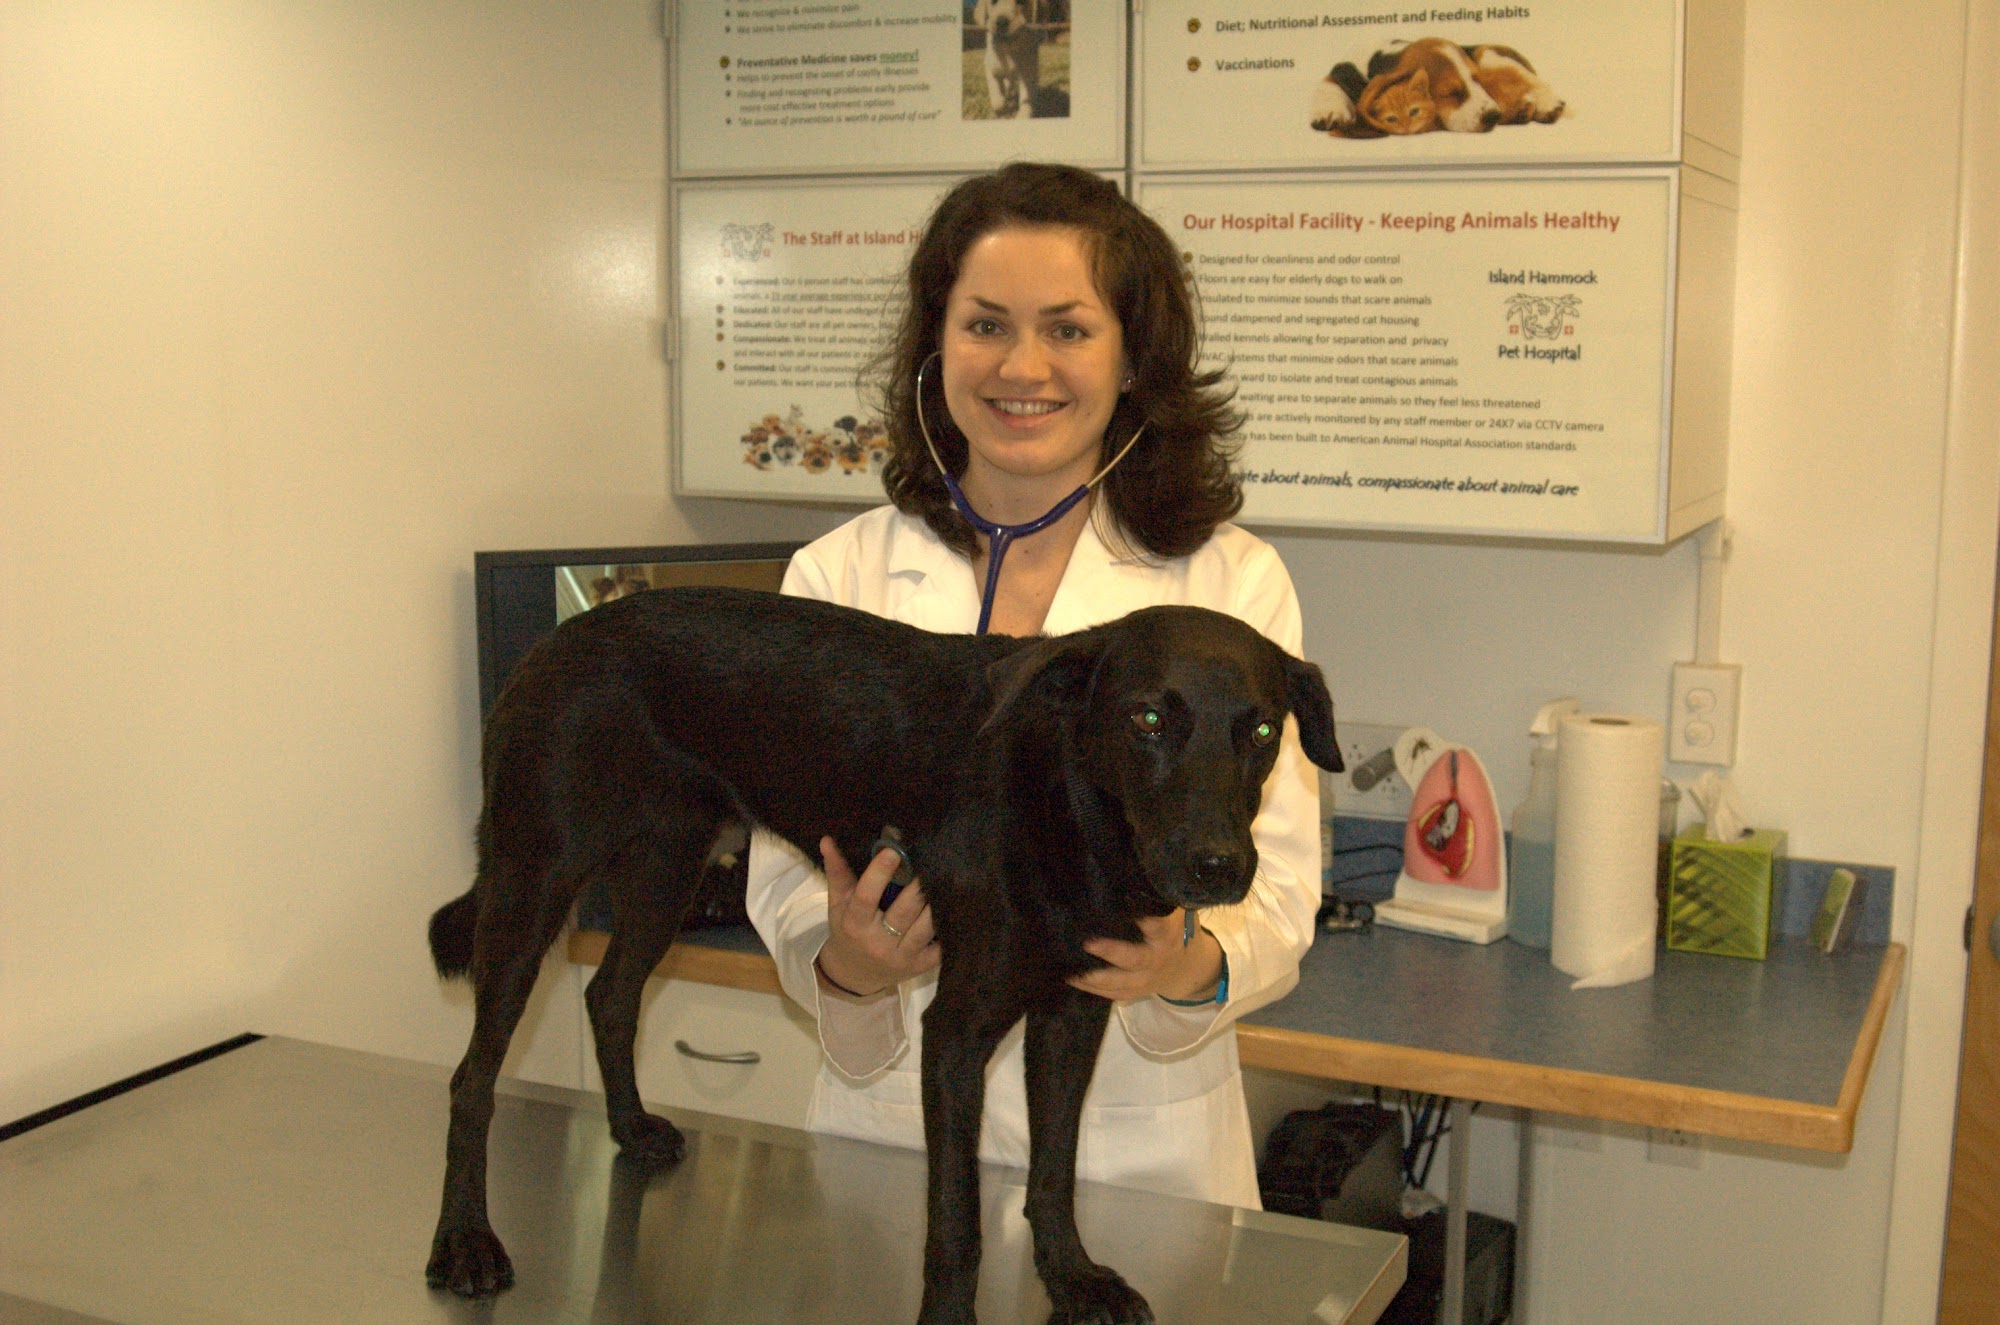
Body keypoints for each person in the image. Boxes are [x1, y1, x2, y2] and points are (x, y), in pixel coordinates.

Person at [744, 162, 1321, 1209]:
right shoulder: (838, 578)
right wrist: (850, 963)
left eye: (1068, 328)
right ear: (935, 346)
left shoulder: (1229, 587)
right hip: (893, 1155)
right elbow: (784, 882)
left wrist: (1179, 961)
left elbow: (1278, 891)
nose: (1022, 366)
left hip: (1136, 1169)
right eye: (984, 325)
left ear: (1132, 357)